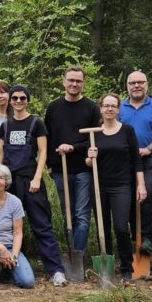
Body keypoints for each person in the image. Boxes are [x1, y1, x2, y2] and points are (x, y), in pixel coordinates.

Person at [0, 85, 68, 287]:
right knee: (8, 227)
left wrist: (37, 178)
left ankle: (56, 270)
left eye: (22, 98)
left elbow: (43, 153)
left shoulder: (36, 123)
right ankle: (8, 268)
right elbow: (0, 152)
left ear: (27, 100)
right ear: (10, 101)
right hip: (10, 182)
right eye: (15, 98)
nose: (18, 101)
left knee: (41, 225)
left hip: (30, 180)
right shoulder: (6, 125)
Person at [85, 93, 146, 287]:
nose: (110, 109)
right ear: (101, 108)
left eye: (113, 106)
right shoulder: (94, 132)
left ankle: (127, 269)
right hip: (98, 186)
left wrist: (141, 184)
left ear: (119, 109)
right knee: (102, 229)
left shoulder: (127, 130)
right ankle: (107, 268)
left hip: (122, 185)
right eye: (106, 106)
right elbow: (88, 163)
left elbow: (136, 160)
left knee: (121, 227)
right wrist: (90, 156)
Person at [44, 66, 100, 253]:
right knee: (67, 214)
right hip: (61, 170)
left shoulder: (91, 107)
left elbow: (95, 139)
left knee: (82, 215)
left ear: (83, 83)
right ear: (64, 81)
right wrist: (50, 164)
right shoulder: (53, 108)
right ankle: (70, 252)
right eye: (71, 80)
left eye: (78, 81)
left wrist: (73, 147)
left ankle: (78, 254)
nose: (74, 84)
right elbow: (48, 138)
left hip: (84, 169)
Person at [118, 70, 152, 256]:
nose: (136, 86)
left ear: (147, 84)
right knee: (128, 197)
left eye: (140, 82)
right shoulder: (119, 108)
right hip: (125, 162)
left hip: (150, 160)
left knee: (147, 193)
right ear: (127, 86)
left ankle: (148, 238)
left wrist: (149, 149)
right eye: (132, 83)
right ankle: (132, 238)